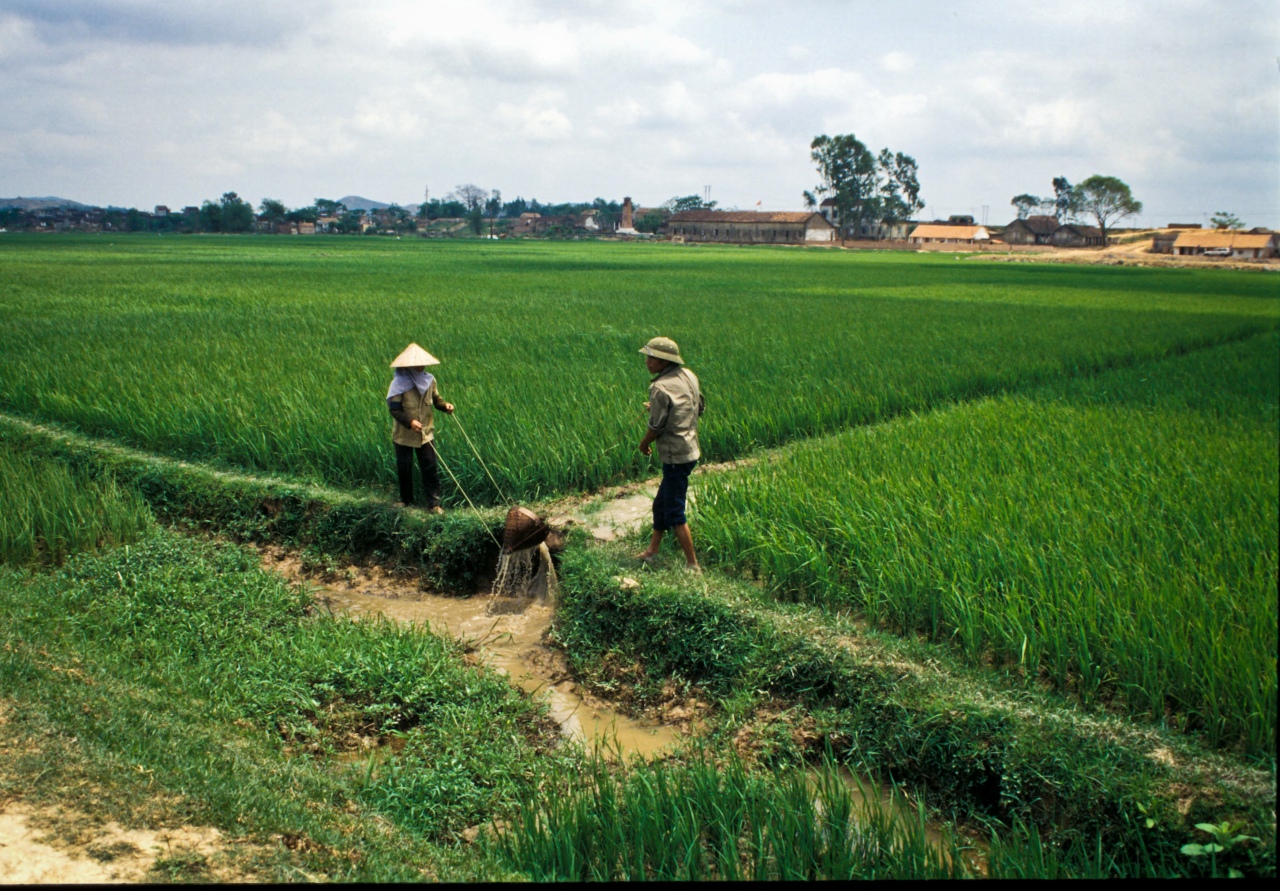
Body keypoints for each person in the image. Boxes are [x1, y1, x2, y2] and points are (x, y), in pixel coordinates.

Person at [634, 336, 705, 572]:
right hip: (690, 450)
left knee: (674, 511)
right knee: (660, 504)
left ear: (664, 361)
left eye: (651, 357)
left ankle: (693, 565)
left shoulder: (659, 387)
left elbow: (656, 427)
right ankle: (652, 552)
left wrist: (644, 444)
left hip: (676, 457)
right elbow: (698, 406)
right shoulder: (689, 376)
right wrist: (659, 408)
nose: (647, 362)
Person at [386, 342, 454, 513]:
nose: (421, 366)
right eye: (417, 364)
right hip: (404, 434)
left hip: (426, 433)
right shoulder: (398, 384)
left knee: (430, 467)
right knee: (405, 467)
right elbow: (394, 410)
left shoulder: (429, 380)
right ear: (408, 365)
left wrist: (445, 406)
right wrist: (410, 422)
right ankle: (406, 500)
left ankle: (434, 504)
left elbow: (436, 400)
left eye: (423, 363)